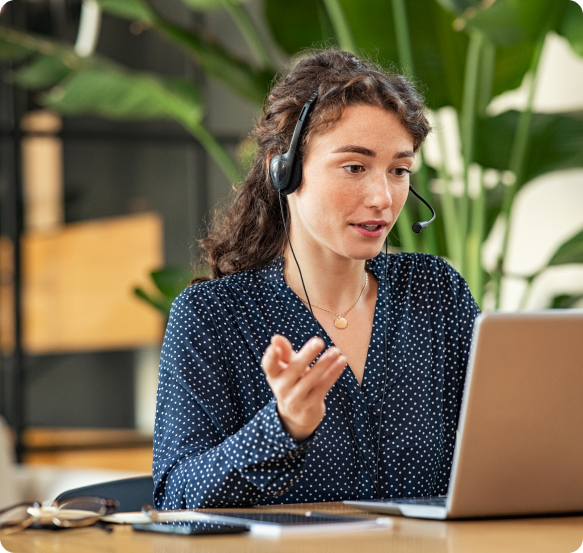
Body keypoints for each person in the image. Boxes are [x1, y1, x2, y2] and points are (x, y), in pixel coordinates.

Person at [153, 49, 480, 509]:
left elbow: (501, 448)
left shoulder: (435, 292)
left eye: (399, 170)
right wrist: (283, 427)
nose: (383, 197)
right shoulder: (213, 317)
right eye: (354, 167)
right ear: (283, 168)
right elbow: (175, 496)